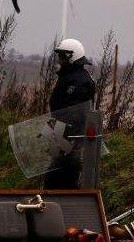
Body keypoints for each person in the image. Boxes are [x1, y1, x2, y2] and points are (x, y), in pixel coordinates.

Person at [44, 38, 96, 190]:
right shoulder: (68, 77)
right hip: (59, 134)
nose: (60, 60)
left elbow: (74, 114)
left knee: (61, 179)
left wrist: (64, 137)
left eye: (62, 56)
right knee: (53, 177)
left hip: (69, 138)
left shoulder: (79, 81)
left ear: (71, 57)